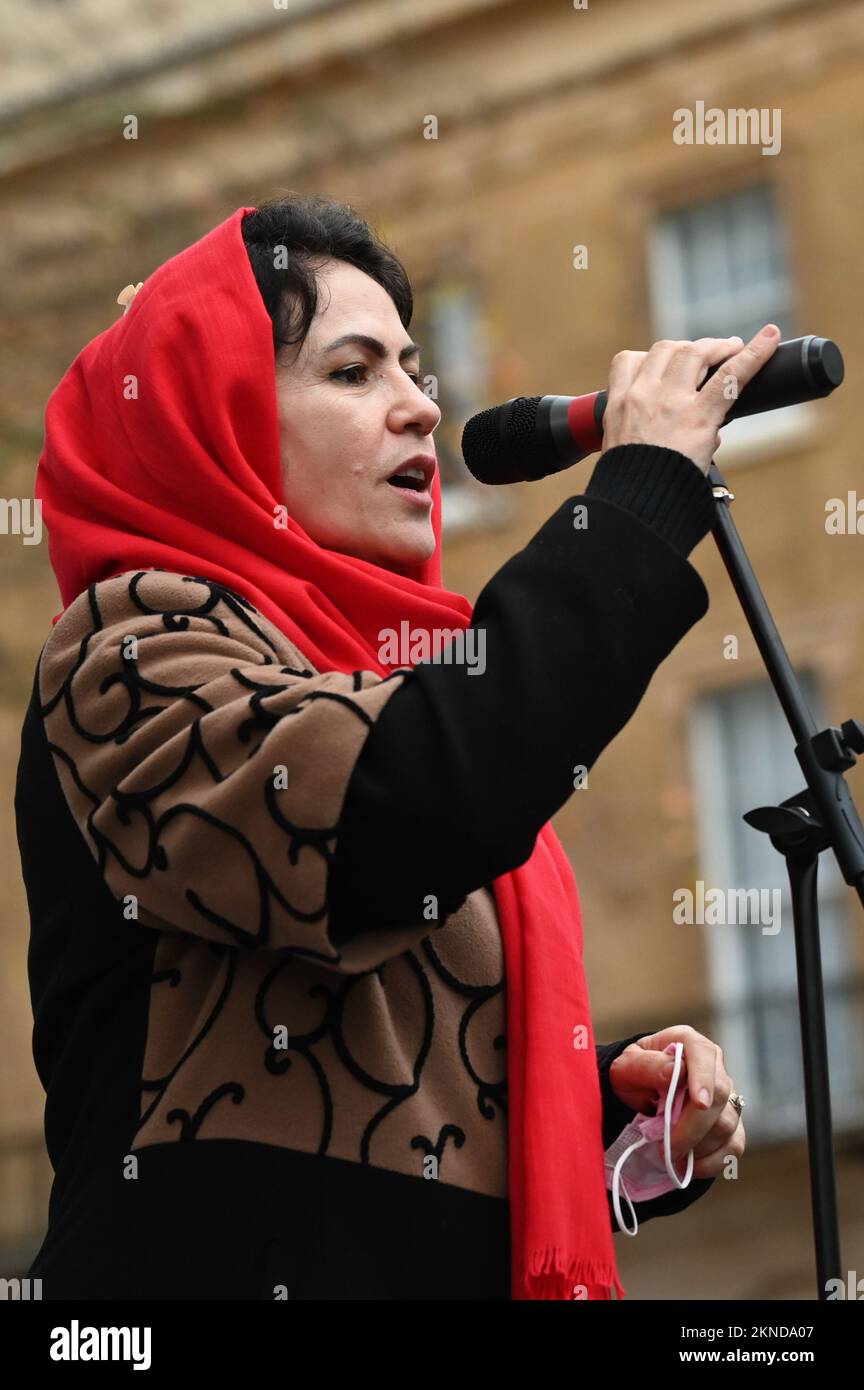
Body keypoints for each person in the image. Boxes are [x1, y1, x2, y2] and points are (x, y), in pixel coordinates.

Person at [15, 194, 768, 1301]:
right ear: (213, 421)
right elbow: (404, 808)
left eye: (416, 369)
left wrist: (616, 1115)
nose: (422, 408)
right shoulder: (129, 645)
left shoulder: (388, 687)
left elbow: (400, 1087)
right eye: (355, 372)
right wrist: (633, 510)